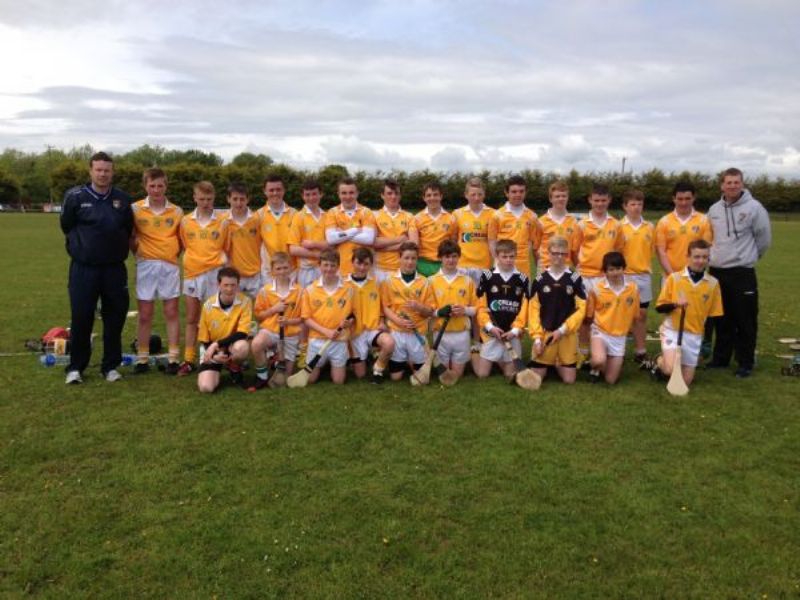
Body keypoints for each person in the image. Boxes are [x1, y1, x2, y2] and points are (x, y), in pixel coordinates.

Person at [60, 151, 133, 384]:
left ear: (113, 172)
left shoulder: (122, 199)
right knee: (81, 317)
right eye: (98, 169)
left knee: (115, 318)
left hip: (113, 269)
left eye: (107, 170)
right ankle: (76, 367)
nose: (102, 174)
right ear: (90, 171)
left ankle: (110, 366)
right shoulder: (74, 196)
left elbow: (128, 228)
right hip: (84, 269)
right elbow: (66, 226)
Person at [706, 168, 772, 377]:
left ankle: (745, 362)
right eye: (728, 182)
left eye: (736, 182)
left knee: (745, 319)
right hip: (717, 271)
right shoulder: (714, 209)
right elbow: (710, 238)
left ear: (742, 184)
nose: (732, 186)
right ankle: (721, 359)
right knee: (721, 319)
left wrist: (747, 257)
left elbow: (763, 240)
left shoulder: (754, 208)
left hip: (742, 272)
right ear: (722, 185)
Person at [130, 167, 183, 375]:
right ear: (145, 186)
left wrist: (169, 254)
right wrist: (141, 254)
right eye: (152, 185)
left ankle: (173, 358)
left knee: (171, 312)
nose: (156, 189)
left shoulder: (177, 211)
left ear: (166, 186)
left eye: (160, 185)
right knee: (145, 314)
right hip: (146, 266)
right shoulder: (135, 209)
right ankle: (142, 359)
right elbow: (131, 237)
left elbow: (181, 241)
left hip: (169, 266)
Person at [650, 240, 723, 386]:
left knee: (686, 382)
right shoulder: (674, 279)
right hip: (673, 331)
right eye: (696, 256)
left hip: (694, 335)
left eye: (704, 257)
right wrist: (676, 304)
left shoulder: (713, 284)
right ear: (688, 257)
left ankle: (675, 360)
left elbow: (712, 316)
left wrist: (706, 342)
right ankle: (658, 361)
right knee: (670, 370)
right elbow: (659, 308)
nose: (701, 261)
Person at [177, 181, 229, 376]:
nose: (205, 203)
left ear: (214, 198)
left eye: (209, 199)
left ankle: (221, 356)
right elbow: (185, 245)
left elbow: (227, 247)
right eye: (201, 199)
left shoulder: (223, 221)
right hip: (192, 274)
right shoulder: (185, 221)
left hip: (214, 274)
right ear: (194, 198)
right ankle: (189, 359)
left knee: (217, 318)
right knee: (192, 318)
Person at [528, 236, 586, 384]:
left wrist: (562, 330)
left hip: (566, 334)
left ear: (567, 255)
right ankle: (550, 359)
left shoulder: (575, 279)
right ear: (548, 253)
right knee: (536, 378)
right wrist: (537, 338)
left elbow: (581, 309)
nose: (559, 257)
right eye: (555, 253)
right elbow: (533, 311)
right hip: (546, 334)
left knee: (569, 380)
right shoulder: (540, 280)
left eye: (563, 254)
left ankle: (560, 359)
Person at [576, 183, 624, 365]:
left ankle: (604, 350)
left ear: (609, 200)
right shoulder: (581, 225)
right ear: (590, 200)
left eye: (603, 200)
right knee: (584, 316)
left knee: (603, 315)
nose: (600, 204)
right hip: (585, 276)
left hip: (607, 278)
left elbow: (618, 252)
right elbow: (574, 251)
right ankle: (582, 352)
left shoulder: (616, 225)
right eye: (596, 200)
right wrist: (582, 267)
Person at [474, 239, 530, 379]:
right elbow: (480, 306)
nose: (508, 260)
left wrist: (516, 330)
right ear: (496, 256)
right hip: (492, 332)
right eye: (504, 256)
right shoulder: (487, 276)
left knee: (509, 374)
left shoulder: (523, 279)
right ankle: (474, 352)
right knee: (482, 374)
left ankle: (500, 359)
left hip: (511, 333)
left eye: (512, 256)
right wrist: (489, 327)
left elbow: (525, 308)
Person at [380, 242, 437, 380]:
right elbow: (385, 307)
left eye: (413, 258)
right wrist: (398, 321)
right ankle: (404, 359)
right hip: (397, 332)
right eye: (406, 258)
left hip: (418, 333)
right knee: (395, 377)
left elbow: (430, 311)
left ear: (417, 260)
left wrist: (419, 307)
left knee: (422, 377)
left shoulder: (425, 282)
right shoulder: (389, 281)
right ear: (399, 258)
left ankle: (412, 359)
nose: (410, 262)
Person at [300, 248, 355, 385]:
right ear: (319, 265)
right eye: (325, 265)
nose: (329, 269)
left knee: (338, 381)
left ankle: (328, 364)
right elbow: (306, 319)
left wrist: (349, 322)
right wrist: (326, 332)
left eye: (333, 265)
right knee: (311, 379)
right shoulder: (310, 289)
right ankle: (321, 364)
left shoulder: (348, 288)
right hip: (317, 340)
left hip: (339, 340)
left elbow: (353, 314)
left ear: (338, 266)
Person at [585, 251, 640, 384]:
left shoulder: (633, 289)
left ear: (623, 268)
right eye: (611, 269)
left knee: (610, 380)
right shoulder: (596, 289)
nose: (615, 273)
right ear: (605, 271)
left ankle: (604, 362)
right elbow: (589, 315)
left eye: (618, 268)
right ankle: (594, 365)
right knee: (598, 360)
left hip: (619, 337)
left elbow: (635, 315)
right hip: (600, 332)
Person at [428, 240, 478, 384]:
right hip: (441, 334)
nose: (451, 260)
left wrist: (465, 310)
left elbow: (476, 309)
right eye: (447, 256)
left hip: (461, 334)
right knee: (444, 376)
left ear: (459, 257)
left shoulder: (467, 281)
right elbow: (429, 311)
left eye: (454, 256)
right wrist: (439, 312)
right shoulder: (431, 281)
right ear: (440, 258)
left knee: (457, 376)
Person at [250, 252, 303, 390]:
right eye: (278, 269)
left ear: (291, 268)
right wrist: (273, 309)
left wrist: (288, 322)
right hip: (271, 331)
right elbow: (259, 316)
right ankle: (262, 376)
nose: (282, 272)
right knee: (256, 344)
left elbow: (303, 318)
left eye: (285, 268)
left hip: (290, 335)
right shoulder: (265, 291)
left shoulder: (299, 291)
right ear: (272, 271)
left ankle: (275, 359)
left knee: (283, 379)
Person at [196, 267, 252, 393]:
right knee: (206, 388)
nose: (230, 289)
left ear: (238, 285)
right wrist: (215, 355)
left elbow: (242, 333)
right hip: (213, 350)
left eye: (233, 285)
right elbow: (204, 339)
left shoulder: (245, 302)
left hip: (232, 346)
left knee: (242, 347)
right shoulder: (208, 306)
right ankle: (217, 369)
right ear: (218, 284)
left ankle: (234, 367)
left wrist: (218, 343)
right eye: (226, 285)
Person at [346, 247, 395, 383]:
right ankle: (365, 357)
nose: (362, 268)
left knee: (389, 343)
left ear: (371, 265)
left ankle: (378, 370)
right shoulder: (344, 285)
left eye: (366, 264)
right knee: (360, 375)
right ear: (352, 262)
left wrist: (382, 321)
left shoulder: (376, 284)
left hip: (373, 330)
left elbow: (382, 307)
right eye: (359, 263)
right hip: (354, 333)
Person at [619, 189, 656, 363]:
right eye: (632, 204)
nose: (636, 207)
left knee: (641, 315)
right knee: (621, 314)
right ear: (625, 206)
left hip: (643, 276)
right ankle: (616, 351)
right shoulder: (618, 227)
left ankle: (640, 351)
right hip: (623, 277)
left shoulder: (650, 227)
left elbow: (652, 251)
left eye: (639, 204)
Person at [655, 181, 713, 277]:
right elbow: (661, 252)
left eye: (687, 198)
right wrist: (672, 275)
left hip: (696, 276)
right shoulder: (664, 222)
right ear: (674, 199)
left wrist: (696, 272)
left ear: (693, 198)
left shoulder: (704, 220)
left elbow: (706, 250)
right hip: (670, 276)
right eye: (680, 199)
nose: (684, 202)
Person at [488, 174, 541, 276]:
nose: (518, 194)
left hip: (523, 268)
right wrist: (498, 262)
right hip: (502, 268)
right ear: (506, 193)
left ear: (525, 193)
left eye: (521, 191)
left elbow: (535, 246)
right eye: (514, 191)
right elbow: (492, 242)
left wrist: (539, 270)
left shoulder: (532, 216)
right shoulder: (497, 215)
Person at [323, 178, 376, 276]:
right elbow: (330, 239)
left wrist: (341, 234)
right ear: (338, 194)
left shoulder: (366, 212)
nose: (348, 196)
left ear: (357, 193)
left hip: (363, 270)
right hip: (340, 270)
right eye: (344, 193)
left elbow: (368, 239)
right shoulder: (332, 212)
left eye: (351, 193)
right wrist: (355, 230)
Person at [408, 181, 456, 277]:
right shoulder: (416, 218)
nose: (432, 198)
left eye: (435, 195)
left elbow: (453, 245)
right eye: (428, 195)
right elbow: (414, 245)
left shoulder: (451, 219)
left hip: (443, 264)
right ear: (424, 198)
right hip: (422, 264)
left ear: (441, 196)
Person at [288, 178, 329, 288]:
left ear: (321, 194)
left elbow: (332, 244)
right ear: (302, 196)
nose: (311, 198)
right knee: (306, 302)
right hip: (306, 270)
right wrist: (317, 254)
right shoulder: (298, 217)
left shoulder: (328, 216)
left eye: (314, 194)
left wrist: (313, 244)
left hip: (326, 268)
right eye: (307, 195)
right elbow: (293, 249)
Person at [453, 177, 495, 285]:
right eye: (473, 195)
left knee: (482, 300)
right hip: (462, 266)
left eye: (480, 194)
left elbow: (493, 241)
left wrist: (497, 264)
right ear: (466, 195)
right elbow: (453, 241)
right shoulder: (457, 214)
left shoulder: (493, 214)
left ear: (484, 194)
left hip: (485, 266)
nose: (476, 198)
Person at [224, 183, 263, 299]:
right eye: (235, 199)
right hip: (233, 274)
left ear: (248, 199)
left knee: (261, 311)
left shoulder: (257, 219)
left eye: (242, 199)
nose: (238, 203)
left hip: (255, 273)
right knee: (234, 312)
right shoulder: (223, 221)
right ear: (228, 199)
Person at [372, 179, 412, 282]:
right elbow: (374, 242)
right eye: (389, 193)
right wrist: (401, 239)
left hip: (402, 270)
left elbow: (412, 245)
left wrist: (383, 247)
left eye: (396, 193)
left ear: (400, 195)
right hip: (379, 270)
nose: (393, 197)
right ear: (382, 195)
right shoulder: (373, 215)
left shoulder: (409, 216)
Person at [258, 174, 297, 281]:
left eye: (278, 189)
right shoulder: (258, 215)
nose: (275, 193)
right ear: (264, 191)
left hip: (291, 271)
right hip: (268, 273)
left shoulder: (295, 214)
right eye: (271, 190)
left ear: (284, 190)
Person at [536, 181, 581, 272]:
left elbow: (574, 252)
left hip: (566, 270)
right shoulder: (541, 222)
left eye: (564, 196)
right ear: (550, 199)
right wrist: (539, 265)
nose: (561, 199)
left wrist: (577, 269)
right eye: (557, 196)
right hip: (545, 269)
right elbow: (535, 249)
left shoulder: (574, 222)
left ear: (567, 198)